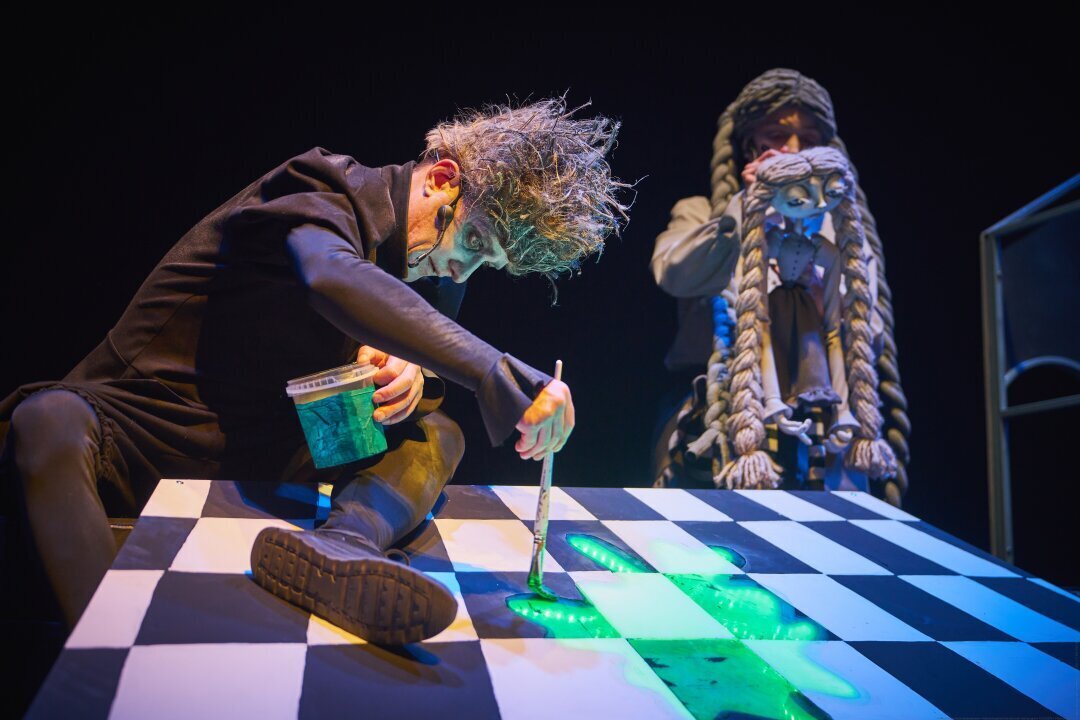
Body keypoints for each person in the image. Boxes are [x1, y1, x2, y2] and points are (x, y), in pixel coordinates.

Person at [0, 98, 629, 644]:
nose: (463, 272)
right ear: (442, 179)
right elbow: (332, 276)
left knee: (438, 434)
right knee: (48, 418)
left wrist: (414, 380)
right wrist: (500, 373)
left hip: (265, 450)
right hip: (148, 425)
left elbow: (413, 350)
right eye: (470, 245)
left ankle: (343, 544)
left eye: (484, 264)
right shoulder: (324, 188)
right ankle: (101, 664)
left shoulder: (433, 273)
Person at [650, 68, 908, 504]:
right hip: (720, 417)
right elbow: (672, 274)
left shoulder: (839, 232)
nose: (792, 149)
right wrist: (745, 208)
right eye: (776, 135)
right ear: (750, 143)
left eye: (808, 139)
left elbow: (872, 334)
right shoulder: (703, 213)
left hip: (826, 426)